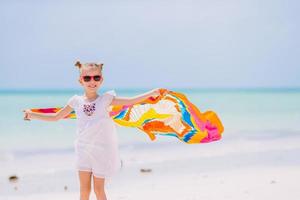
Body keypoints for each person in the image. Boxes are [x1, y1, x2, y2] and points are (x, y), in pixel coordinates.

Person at [23, 61, 163, 200]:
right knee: (84, 191)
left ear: (101, 80)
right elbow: (55, 117)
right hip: (83, 150)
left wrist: (152, 93)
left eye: (96, 77)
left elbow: (131, 101)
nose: (92, 81)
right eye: (87, 78)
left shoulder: (106, 99)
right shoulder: (76, 101)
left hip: (101, 152)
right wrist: (32, 115)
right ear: (80, 81)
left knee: (98, 190)